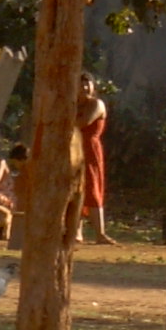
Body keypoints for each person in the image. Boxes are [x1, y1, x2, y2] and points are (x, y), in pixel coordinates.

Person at [77, 74, 113, 245]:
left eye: (87, 85)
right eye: (80, 85)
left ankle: (100, 233)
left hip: (89, 149)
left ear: (93, 86)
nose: (84, 88)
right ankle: (77, 232)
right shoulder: (74, 105)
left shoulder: (96, 104)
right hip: (73, 150)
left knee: (92, 187)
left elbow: (83, 122)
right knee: (75, 189)